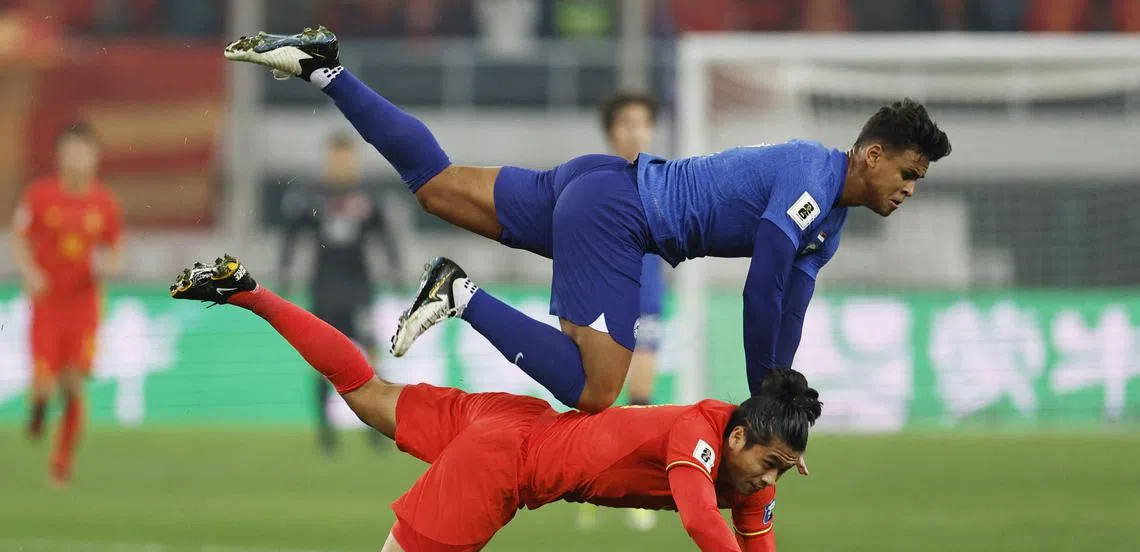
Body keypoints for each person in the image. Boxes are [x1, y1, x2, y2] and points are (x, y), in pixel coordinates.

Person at [160, 255, 838, 552]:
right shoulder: (698, 430)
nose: (768, 481)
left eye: (781, 472)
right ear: (741, 435)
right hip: (506, 465)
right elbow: (699, 522)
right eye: (770, 463)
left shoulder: (747, 475)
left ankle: (245, 289)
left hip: (514, 422)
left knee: (366, 393)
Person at [223, 27, 951, 415]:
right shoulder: (814, 176)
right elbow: (763, 282)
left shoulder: (831, 218)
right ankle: (461, 295)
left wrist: (779, 378)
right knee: (599, 390)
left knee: (438, 187)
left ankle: (325, 69)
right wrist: (764, 394)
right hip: (620, 216)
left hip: (600, 184)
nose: (909, 189)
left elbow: (792, 298)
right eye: (908, 174)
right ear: (873, 154)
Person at [11, 121, 123, 486]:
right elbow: (18, 238)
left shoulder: (104, 203)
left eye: (83, 151)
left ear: (95, 157)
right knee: (44, 386)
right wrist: (29, 271)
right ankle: (39, 408)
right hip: (47, 307)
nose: (76, 159)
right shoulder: (39, 196)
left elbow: (115, 251)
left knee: (74, 385)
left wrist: (107, 264)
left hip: (84, 307)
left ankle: (60, 463)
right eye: (70, 151)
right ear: (60, 155)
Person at [279, 131, 405, 452]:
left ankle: (376, 428)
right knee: (322, 361)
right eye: (336, 156)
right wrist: (286, 273)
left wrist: (395, 270)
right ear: (328, 158)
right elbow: (292, 236)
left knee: (371, 357)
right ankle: (326, 431)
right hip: (324, 288)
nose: (341, 163)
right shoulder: (311, 195)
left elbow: (385, 236)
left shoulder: (368, 195)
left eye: (346, 157)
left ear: (353, 159)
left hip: (359, 288)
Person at [579, 91, 667, 532]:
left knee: (641, 398)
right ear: (612, 131)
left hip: (648, 293)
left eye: (643, 122)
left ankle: (637, 492)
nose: (636, 131)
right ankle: (588, 483)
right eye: (627, 123)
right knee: (600, 398)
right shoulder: (594, 176)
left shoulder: (664, 179)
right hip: (602, 295)